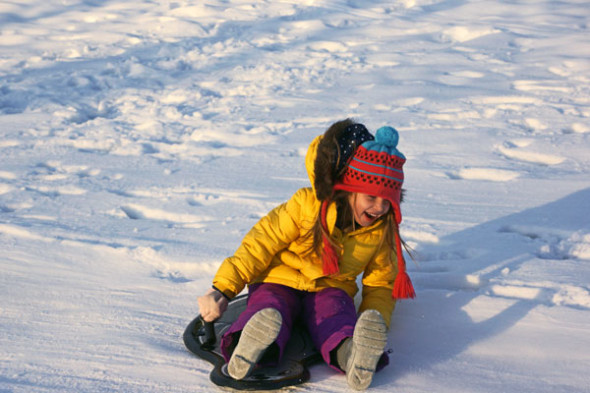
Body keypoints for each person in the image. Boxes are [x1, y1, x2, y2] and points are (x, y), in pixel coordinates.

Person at [197, 118, 415, 390]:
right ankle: (247, 347)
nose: (380, 207)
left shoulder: (382, 231)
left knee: (334, 317)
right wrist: (224, 289)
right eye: (371, 197)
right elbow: (261, 243)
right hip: (279, 279)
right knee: (269, 308)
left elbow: (381, 283)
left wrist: (375, 320)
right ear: (348, 189)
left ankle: (354, 355)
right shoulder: (306, 205)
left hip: (331, 287)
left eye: (388, 200)